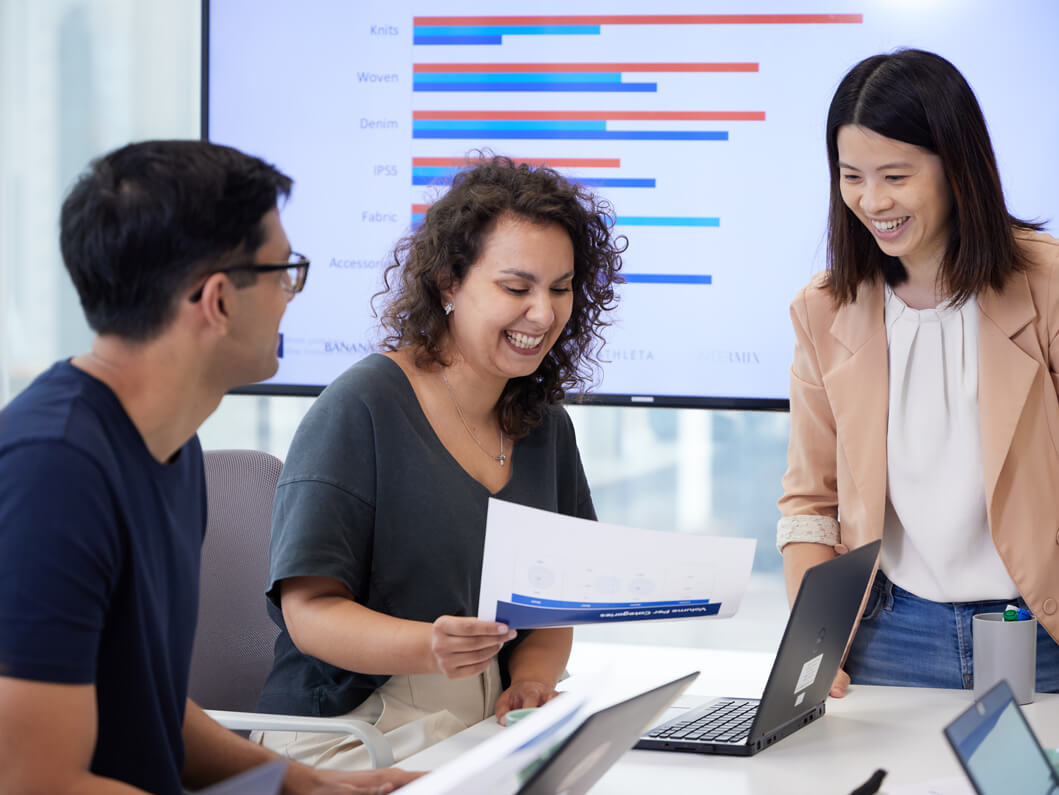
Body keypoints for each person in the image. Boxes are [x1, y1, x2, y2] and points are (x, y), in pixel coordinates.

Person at [0, 140, 419, 795]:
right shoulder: (55, 472)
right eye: (284, 270)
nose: (289, 295)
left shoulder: (168, 446)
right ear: (219, 300)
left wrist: (303, 784)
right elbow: (36, 781)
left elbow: (150, 705)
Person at [253, 155, 625, 768]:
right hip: (349, 732)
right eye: (516, 287)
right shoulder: (362, 407)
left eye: (560, 289)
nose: (544, 312)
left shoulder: (546, 426)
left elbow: (555, 607)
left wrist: (531, 680)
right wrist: (428, 646)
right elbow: (308, 613)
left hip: (480, 727)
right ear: (450, 283)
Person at [778, 49, 1059, 698]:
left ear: (955, 168)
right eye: (851, 176)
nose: (871, 201)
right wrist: (813, 649)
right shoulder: (822, 309)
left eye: (895, 176)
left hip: (1038, 623)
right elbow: (809, 502)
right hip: (888, 633)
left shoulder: (1046, 285)